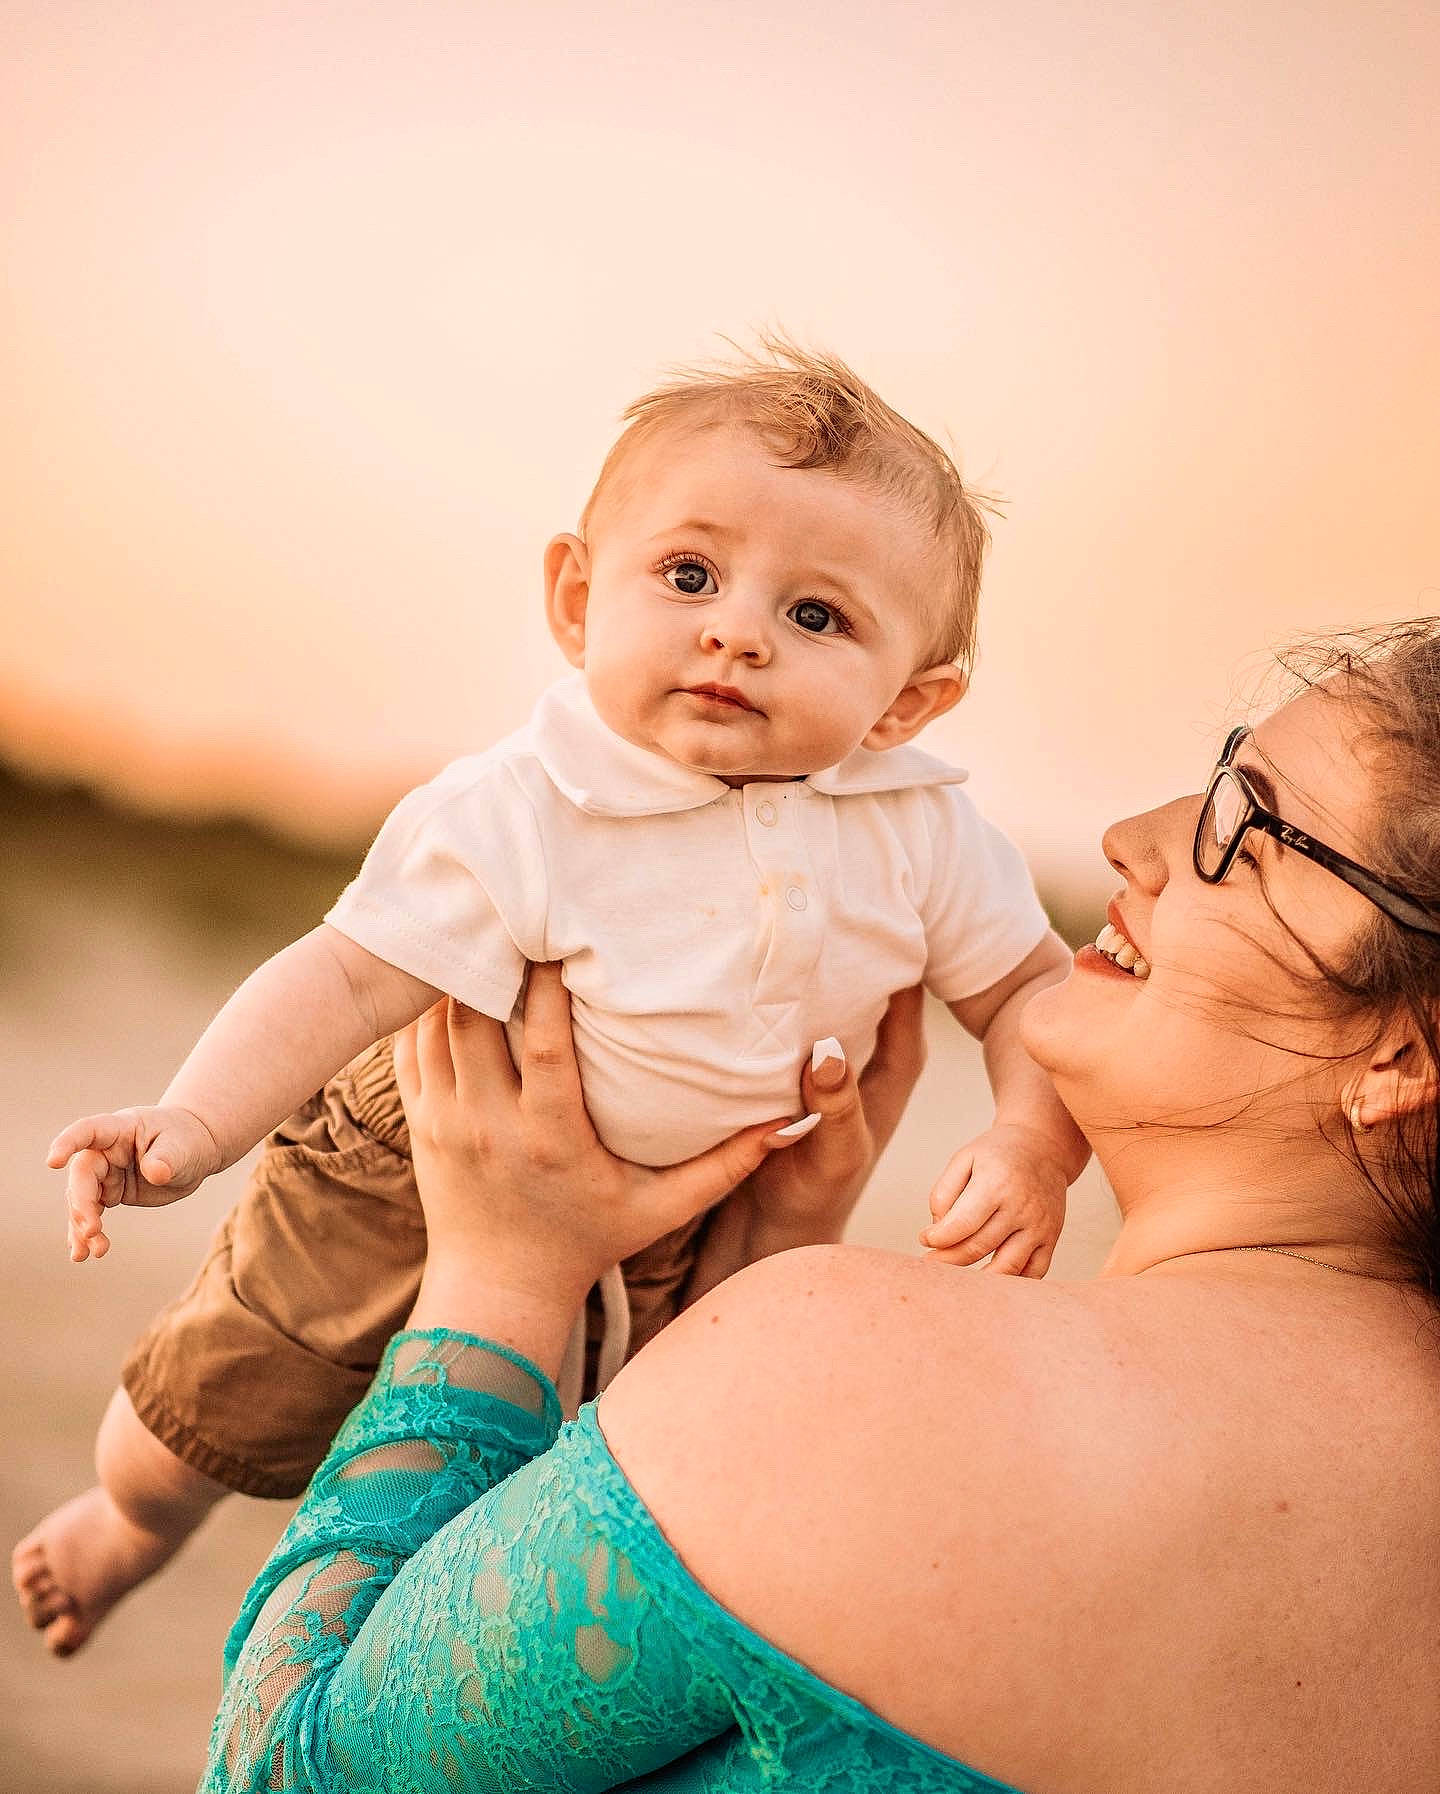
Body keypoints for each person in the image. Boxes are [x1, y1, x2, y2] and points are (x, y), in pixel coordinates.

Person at [184, 624, 1440, 1791]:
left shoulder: (868, 1376)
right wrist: (751, 1276)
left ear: (1403, 1056)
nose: (1135, 836)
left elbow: (279, 1764)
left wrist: (504, 1279)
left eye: (1246, 822)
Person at [17, 341, 1086, 1658]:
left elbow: (1036, 987)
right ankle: (125, 1522)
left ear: (908, 699)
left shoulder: (918, 826)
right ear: (578, 598)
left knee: (554, 1487)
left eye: (818, 617)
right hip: (413, 1162)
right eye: (689, 575)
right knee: (237, 1387)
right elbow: (348, 968)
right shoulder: (527, 799)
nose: (738, 629)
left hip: (682, 1224)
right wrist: (190, 1123)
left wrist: (1033, 1140)